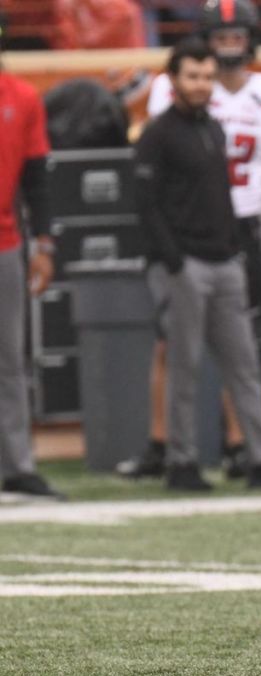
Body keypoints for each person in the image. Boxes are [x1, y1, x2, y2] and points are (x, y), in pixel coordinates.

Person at [119, 0, 261, 479]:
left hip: (235, 239)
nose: (224, 51)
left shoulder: (256, 107)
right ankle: (172, 453)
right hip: (184, 247)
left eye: (234, 38)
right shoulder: (166, 121)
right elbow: (147, 201)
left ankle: (251, 450)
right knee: (177, 354)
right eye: (218, 41)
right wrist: (172, 258)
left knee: (242, 353)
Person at [0, 11, 65, 501]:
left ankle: (18, 465)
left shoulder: (22, 97)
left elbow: (38, 181)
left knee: (9, 359)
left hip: (6, 243)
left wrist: (44, 244)